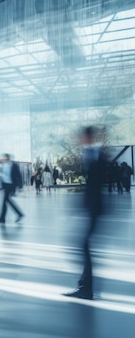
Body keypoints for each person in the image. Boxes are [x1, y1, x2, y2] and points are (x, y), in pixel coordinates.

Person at [64, 126, 106, 300]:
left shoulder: (95, 154)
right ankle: (85, 285)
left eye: (81, 137)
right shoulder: (90, 153)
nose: (78, 140)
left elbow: (96, 182)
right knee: (84, 246)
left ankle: (87, 288)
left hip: (95, 208)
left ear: (87, 137)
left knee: (84, 246)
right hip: (92, 207)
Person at [0, 153, 24, 223]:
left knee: (6, 200)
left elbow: (18, 175)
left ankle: (19, 214)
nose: (2, 160)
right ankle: (3, 218)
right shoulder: (3, 165)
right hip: (5, 185)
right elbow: (2, 174)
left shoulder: (14, 165)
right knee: (6, 201)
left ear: (7, 158)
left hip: (11, 185)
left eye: (3, 158)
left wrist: (20, 186)